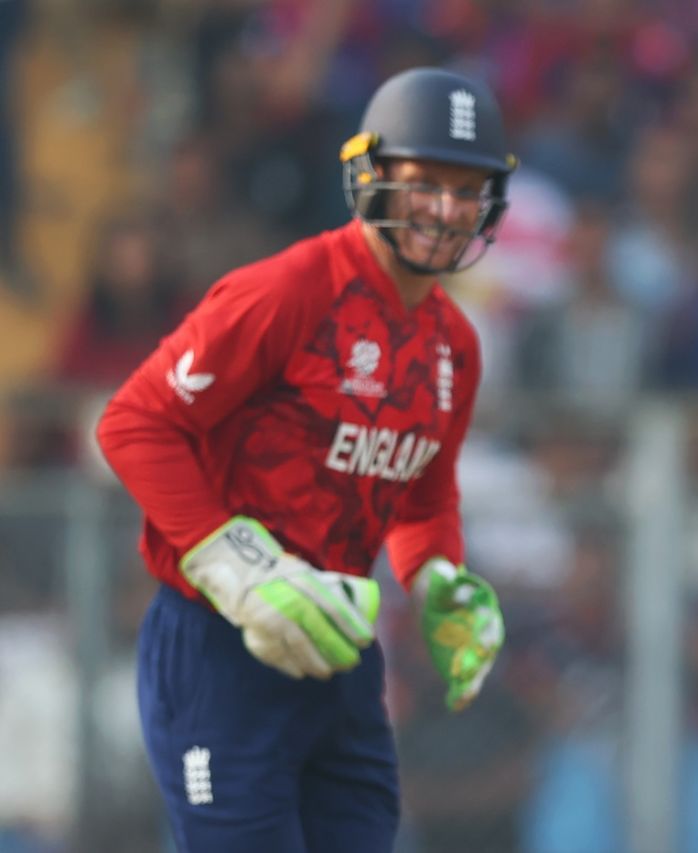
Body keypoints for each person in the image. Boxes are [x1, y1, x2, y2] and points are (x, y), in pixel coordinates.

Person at [95, 66, 514, 853]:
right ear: (371, 173)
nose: (448, 210)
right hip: (217, 645)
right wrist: (235, 562)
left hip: (342, 651)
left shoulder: (455, 342)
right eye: (426, 182)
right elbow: (134, 422)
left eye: (469, 189)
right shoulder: (285, 290)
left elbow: (423, 498)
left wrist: (437, 579)